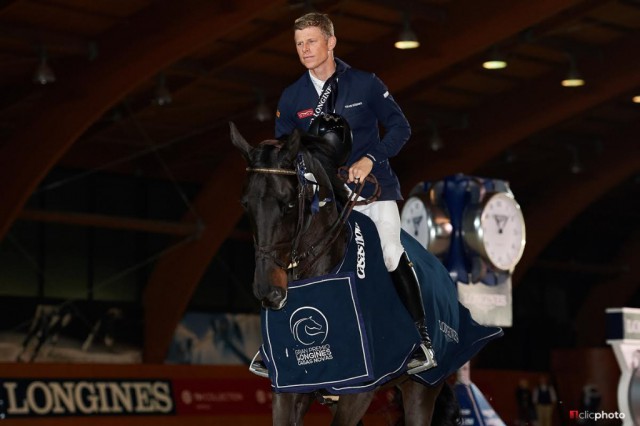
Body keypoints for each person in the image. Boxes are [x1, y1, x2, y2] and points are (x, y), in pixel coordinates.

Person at [271, 12, 436, 376]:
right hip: (322, 198)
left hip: (373, 190)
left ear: (331, 42)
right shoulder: (291, 96)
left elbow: (400, 127)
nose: (304, 50)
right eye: (298, 44)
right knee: (284, 255)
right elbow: (286, 149)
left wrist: (370, 158)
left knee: (391, 253)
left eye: (311, 41)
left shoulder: (365, 84)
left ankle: (419, 338)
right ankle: (275, 346)